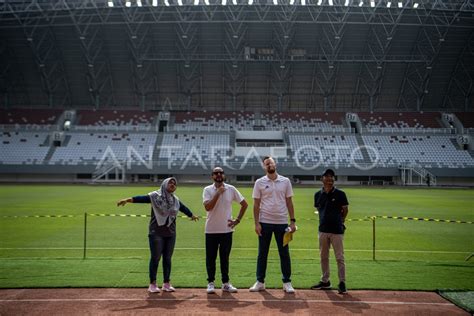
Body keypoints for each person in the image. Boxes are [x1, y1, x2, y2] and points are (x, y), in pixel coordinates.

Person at [117, 177, 199, 293]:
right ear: (164, 184)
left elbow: (183, 208)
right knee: (155, 258)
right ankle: (152, 284)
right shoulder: (155, 196)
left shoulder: (175, 200)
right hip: (156, 233)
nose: (172, 184)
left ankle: (166, 283)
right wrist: (127, 200)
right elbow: (142, 199)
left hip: (171, 233)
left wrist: (192, 215)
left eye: (174, 183)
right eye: (170, 182)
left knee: (167, 259)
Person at [249, 156, 296, 293]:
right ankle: (260, 281)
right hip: (265, 222)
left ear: (275, 164)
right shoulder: (259, 182)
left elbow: (289, 202)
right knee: (262, 253)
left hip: (282, 222)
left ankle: (287, 282)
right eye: (267, 164)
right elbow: (256, 204)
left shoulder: (285, 181)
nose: (269, 165)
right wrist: (256, 223)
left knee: (284, 253)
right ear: (264, 167)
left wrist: (292, 221)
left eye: (271, 162)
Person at [203, 167, 248, 294]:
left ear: (224, 175)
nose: (218, 175)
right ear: (212, 176)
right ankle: (211, 283)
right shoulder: (207, 190)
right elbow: (208, 207)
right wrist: (218, 193)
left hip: (226, 230)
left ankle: (225, 283)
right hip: (211, 230)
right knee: (210, 258)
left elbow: (244, 204)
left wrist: (237, 220)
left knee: (224, 258)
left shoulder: (231, 189)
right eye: (216, 173)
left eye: (221, 173)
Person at [311, 169, 349, 294]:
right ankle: (325, 281)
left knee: (339, 257)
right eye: (327, 177)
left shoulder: (340, 194)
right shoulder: (317, 195)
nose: (330, 179)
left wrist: (341, 221)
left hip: (337, 231)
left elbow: (345, 210)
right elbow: (319, 209)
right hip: (322, 230)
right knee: (323, 257)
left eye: (332, 177)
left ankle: (342, 282)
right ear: (322, 179)